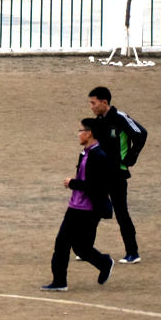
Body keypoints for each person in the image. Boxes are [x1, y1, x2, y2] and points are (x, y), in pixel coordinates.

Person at [42, 119, 116, 292]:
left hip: (88, 210)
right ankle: (62, 279)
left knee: (76, 246)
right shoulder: (86, 153)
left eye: (80, 130)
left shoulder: (99, 157)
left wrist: (73, 183)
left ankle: (63, 280)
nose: (78, 133)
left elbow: (97, 186)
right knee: (71, 245)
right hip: (75, 206)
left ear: (89, 133)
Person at [88, 87, 147, 264]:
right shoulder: (99, 120)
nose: (91, 106)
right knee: (93, 209)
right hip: (101, 173)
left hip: (117, 173)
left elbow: (141, 133)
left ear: (104, 102)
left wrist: (131, 156)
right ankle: (86, 249)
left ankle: (132, 252)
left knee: (121, 212)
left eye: (93, 103)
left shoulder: (120, 118)